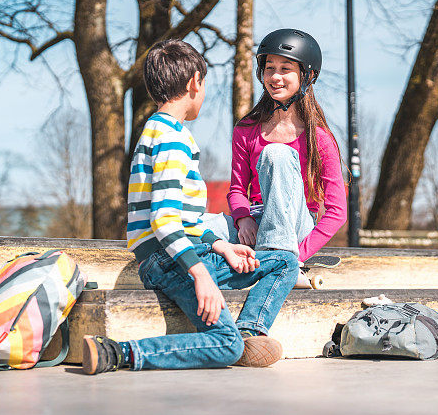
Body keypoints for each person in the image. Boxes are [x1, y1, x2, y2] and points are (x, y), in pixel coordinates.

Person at [82, 39, 300, 375]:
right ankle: (117, 352)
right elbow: (165, 220)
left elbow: (185, 219)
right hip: (172, 261)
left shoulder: (164, 131)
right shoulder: (170, 138)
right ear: (194, 83)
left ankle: (249, 331)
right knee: (226, 345)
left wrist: (222, 246)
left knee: (284, 260)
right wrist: (201, 274)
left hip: (184, 254)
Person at [227, 29, 347, 286]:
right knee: (197, 225)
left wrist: (299, 254)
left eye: (285, 68)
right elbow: (237, 189)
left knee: (276, 153)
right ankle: (268, 265)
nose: (275, 76)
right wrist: (242, 218)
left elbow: (337, 211)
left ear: (307, 75)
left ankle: (280, 263)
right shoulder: (246, 129)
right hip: (256, 223)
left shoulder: (319, 138)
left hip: (296, 225)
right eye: (269, 68)